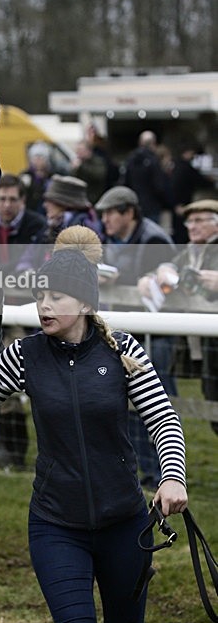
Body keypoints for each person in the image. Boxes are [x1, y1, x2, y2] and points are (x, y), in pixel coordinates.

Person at [0, 226, 188, 623]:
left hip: (126, 525)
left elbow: (163, 419)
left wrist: (172, 477)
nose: (44, 306)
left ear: (85, 303)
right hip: (55, 527)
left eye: (57, 297)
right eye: (41, 295)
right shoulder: (23, 355)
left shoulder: (122, 350)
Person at [95, 185, 178, 488]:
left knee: (158, 402)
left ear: (128, 212)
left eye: (109, 214)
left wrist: (122, 279)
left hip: (158, 335)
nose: (104, 220)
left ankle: (165, 471)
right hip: (130, 333)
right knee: (130, 403)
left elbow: (163, 284)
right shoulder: (112, 239)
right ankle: (147, 471)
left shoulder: (154, 238)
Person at [137, 199, 218, 436]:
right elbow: (168, 268)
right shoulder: (190, 252)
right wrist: (155, 275)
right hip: (207, 347)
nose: (192, 226)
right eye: (189, 220)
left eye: (199, 220)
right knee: (212, 403)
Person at [0, 174, 47, 469]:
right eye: (2, 199)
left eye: (12, 199)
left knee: (15, 381)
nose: (6, 205)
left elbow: (29, 266)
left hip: (26, 312)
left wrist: (0, 272)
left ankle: (17, 451)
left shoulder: (36, 225)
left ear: (22, 201)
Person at [122, 131, 171, 224]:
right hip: (152, 206)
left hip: (136, 205)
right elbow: (159, 186)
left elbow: (125, 182)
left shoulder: (130, 160)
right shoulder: (153, 161)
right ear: (153, 143)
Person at [42, 174, 102, 246]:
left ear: (63, 204)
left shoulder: (81, 230)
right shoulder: (57, 224)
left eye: (50, 201)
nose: (45, 205)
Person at [19, 141, 54, 215]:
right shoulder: (25, 175)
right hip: (29, 212)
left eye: (41, 157)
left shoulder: (51, 176)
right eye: (35, 157)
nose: (38, 160)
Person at [70, 139, 109, 205]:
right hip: (80, 198)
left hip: (95, 198)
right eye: (77, 150)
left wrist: (81, 167)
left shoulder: (98, 161)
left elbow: (98, 175)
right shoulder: (79, 162)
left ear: (88, 151)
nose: (78, 153)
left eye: (80, 150)